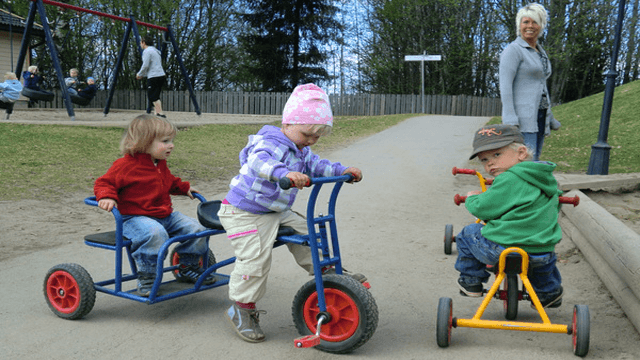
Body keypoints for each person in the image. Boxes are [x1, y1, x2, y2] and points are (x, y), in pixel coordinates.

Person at [217, 83, 365, 343]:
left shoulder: (301, 149)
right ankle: (241, 308)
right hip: (243, 211)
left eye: (316, 137)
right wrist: (283, 173)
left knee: (310, 233)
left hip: (275, 210)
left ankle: (329, 274)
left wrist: (343, 171)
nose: (310, 141)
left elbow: (318, 164)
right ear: (287, 124)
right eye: (307, 134)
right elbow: (258, 161)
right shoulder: (271, 142)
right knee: (255, 258)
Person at [93, 114, 216, 297]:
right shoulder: (125, 165)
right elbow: (104, 183)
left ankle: (187, 264)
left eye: (172, 140)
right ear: (144, 142)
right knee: (155, 234)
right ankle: (147, 275)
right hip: (135, 218)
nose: (171, 145)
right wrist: (107, 197)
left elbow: (168, 181)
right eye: (165, 141)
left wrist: (184, 188)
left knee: (197, 228)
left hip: (164, 215)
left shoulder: (159, 164)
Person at [454, 124, 564, 309]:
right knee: (544, 260)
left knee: (468, 233)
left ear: (521, 153)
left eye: (497, 155)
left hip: (503, 249)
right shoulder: (546, 179)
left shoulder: (509, 178)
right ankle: (548, 293)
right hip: (541, 250)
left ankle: (471, 281)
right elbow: (556, 203)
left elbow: (484, 208)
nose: (490, 163)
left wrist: (472, 199)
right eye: (484, 159)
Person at [499, 3, 561, 161]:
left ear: (541, 25)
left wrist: (550, 117)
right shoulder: (513, 50)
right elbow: (505, 85)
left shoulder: (540, 52)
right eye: (525, 22)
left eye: (535, 22)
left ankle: (530, 186)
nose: (530, 26)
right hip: (522, 119)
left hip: (539, 116)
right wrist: (510, 119)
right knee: (526, 162)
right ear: (519, 25)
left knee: (535, 159)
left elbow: (541, 86)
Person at [136, 36, 167, 118]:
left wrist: (140, 74)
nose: (140, 44)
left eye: (141, 43)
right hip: (161, 75)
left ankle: (160, 114)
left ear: (144, 42)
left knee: (152, 96)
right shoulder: (156, 51)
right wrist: (144, 75)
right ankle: (157, 115)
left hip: (154, 77)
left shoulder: (147, 51)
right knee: (156, 96)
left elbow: (145, 65)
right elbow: (153, 66)